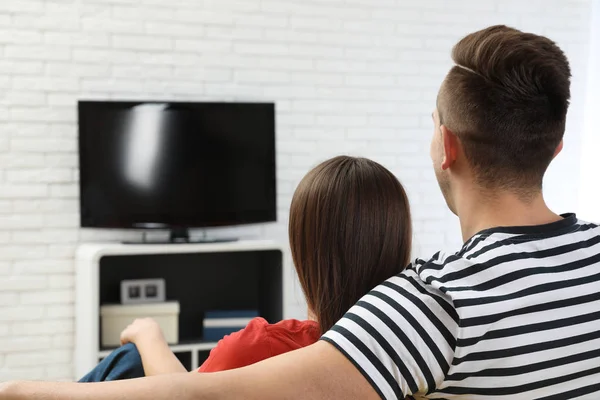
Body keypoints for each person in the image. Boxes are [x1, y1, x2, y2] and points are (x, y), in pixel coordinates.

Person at [2, 24, 600, 400]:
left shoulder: (435, 305)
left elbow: (197, 396)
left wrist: (18, 389)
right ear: (556, 147)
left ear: (447, 147)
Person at [79, 155, 412, 381]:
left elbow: (181, 394)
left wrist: (148, 334)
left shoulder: (264, 347)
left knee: (130, 363)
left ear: (304, 250)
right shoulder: (414, 350)